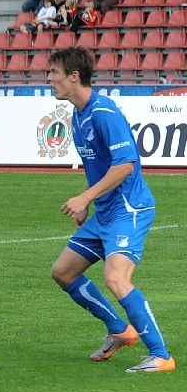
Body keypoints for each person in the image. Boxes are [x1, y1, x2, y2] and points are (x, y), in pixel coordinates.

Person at [46, 46, 175, 373]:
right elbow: (98, 164)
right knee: (63, 272)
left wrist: (84, 197)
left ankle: (161, 356)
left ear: (74, 77)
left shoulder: (104, 112)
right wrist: (88, 205)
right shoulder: (78, 113)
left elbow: (125, 166)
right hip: (104, 213)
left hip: (128, 210)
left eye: (54, 73)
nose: (49, 79)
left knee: (116, 278)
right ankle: (119, 330)